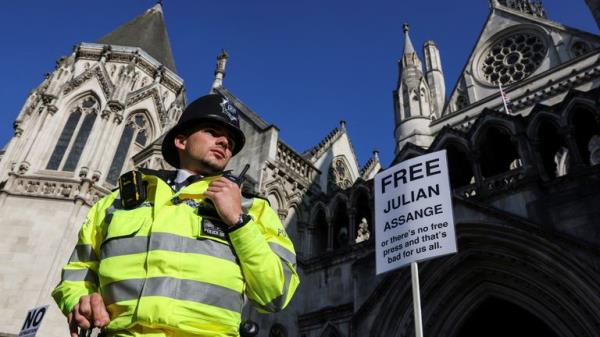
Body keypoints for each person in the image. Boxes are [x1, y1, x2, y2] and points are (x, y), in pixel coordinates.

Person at [52, 94, 299, 337]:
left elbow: (276, 294)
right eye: (213, 132)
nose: (225, 142)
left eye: (231, 142)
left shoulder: (253, 208)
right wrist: (78, 300)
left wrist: (238, 222)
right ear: (181, 141)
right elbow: (78, 270)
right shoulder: (115, 202)